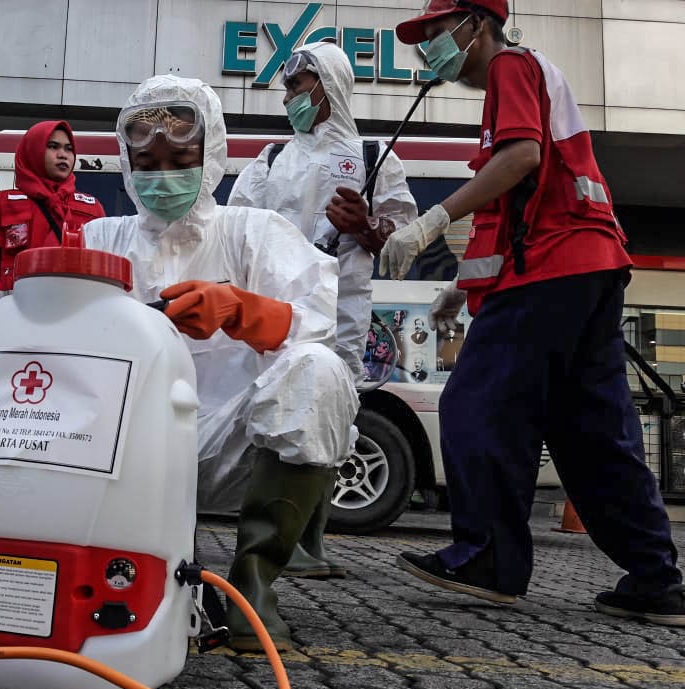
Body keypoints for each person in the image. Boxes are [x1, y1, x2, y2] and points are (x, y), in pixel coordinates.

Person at [388, 0, 683, 624]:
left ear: (477, 24)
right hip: (589, 269)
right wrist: (461, 288)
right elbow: (518, 209)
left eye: (436, 32)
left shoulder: (510, 67)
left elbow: (521, 158)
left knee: (478, 405)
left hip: (551, 271)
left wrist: (432, 221)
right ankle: (656, 578)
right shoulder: (529, 77)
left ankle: (489, 558)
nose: (427, 48)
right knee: (592, 432)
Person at [83, 75, 359, 652]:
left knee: (320, 370)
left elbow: (315, 319)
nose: (163, 176)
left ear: (209, 157)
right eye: (148, 163)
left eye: (180, 160)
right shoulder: (99, 237)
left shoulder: (254, 231)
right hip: (123, 446)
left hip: (230, 443)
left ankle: (250, 587)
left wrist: (240, 309)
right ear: (126, 163)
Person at [228, 41, 417, 579]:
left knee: (334, 412)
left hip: (342, 312)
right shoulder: (270, 160)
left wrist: (365, 225)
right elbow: (234, 231)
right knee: (274, 408)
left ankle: (310, 542)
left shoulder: (375, 157)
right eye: (286, 87)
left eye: (297, 84)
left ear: (328, 83)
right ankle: (271, 539)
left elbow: (402, 246)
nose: (288, 96)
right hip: (276, 308)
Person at [0, 121, 105, 313]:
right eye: (53, 147)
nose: (63, 154)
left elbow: (102, 271)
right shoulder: (7, 202)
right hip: (16, 314)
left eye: (69, 149)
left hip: (73, 314)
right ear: (33, 152)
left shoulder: (92, 207)